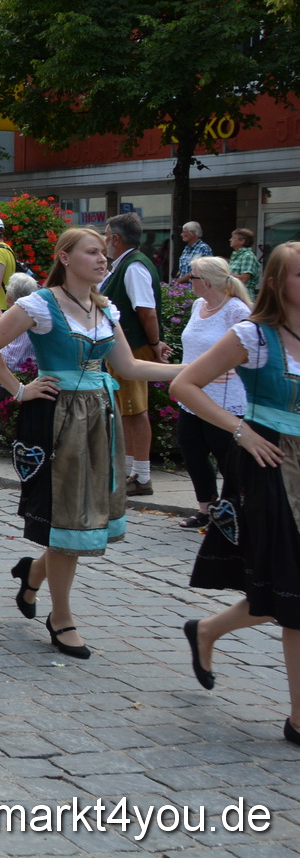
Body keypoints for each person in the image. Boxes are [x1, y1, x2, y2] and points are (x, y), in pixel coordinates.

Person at [0, 227, 181, 658]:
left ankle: (32, 573)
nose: (102, 259)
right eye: (92, 252)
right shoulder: (41, 304)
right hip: (58, 418)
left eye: (104, 252)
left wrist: (192, 371)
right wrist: (20, 389)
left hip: (98, 418)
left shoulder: (105, 309)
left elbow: (128, 365)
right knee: (68, 517)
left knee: (82, 515)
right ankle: (61, 617)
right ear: (65, 257)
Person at [173, 240, 300, 748]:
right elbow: (186, 385)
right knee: (290, 586)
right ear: (274, 282)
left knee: (286, 588)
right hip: (270, 466)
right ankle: (298, 718)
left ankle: (206, 631)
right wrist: (242, 432)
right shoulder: (255, 335)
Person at [172, 257, 253, 531]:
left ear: (206, 282)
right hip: (191, 396)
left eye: (191, 276)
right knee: (192, 451)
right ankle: (206, 508)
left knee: (227, 457)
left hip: (224, 398)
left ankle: (236, 509)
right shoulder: (198, 305)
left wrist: (232, 368)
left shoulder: (236, 310)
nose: (187, 280)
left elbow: (251, 348)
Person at [101, 212, 170, 497]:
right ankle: (131, 471)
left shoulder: (133, 267)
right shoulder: (125, 265)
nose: (105, 241)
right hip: (126, 346)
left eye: (106, 236)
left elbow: (146, 311)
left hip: (133, 346)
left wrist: (154, 344)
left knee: (136, 410)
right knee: (128, 411)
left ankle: (142, 476)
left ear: (115, 239)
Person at [229, 227, 261, 298]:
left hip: (243, 296)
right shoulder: (237, 255)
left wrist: (224, 273)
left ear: (242, 241)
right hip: (234, 294)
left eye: (233, 238)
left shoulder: (247, 256)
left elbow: (244, 279)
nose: (230, 240)